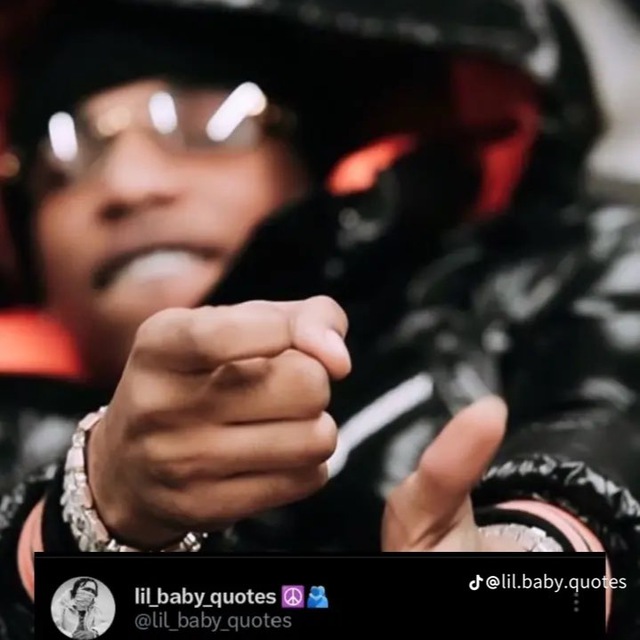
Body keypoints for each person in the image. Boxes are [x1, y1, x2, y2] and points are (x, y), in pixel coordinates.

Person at [0, 0, 638, 638]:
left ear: (314, 160)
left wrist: (536, 565)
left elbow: (610, 413)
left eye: (207, 125)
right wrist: (87, 516)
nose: (128, 184)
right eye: (63, 157)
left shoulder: (552, 278)